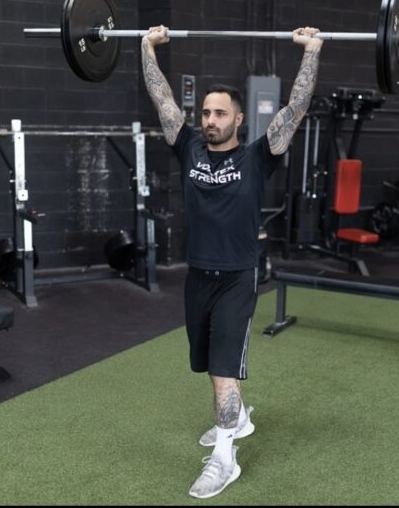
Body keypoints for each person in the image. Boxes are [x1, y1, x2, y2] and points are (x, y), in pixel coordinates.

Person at [141, 25, 323, 499]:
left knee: (224, 367)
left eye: (220, 113)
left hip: (238, 279)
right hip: (197, 276)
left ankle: (225, 457)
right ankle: (237, 419)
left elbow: (296, 108)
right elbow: (161, 99)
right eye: (205, 112)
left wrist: (311, 52)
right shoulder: (189, 148)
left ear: (239, 120)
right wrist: (146, 48)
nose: (210, 120)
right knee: (207, 364)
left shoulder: (258, 158)